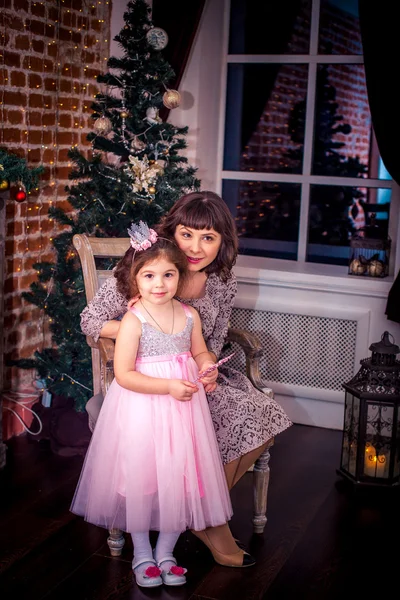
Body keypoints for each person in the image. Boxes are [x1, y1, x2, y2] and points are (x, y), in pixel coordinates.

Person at [80, 191, 292, 567]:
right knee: (242, 415)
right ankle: (212, 524)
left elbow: (214, 338)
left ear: (222, 243)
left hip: (198, 373)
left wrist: (208, 364)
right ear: (171, 233)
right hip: (150, 379)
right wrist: (141, 328)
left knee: (266, 415)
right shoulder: (150, 267)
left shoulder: (222, 281)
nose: (196, 247)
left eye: (208, 237)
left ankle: (195, 510)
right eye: (187, 234)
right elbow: (91, 321)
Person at [71, 222, 236, 589]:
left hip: (183, 413)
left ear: (179, 277)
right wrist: (167, 386)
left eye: (168, 274)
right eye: (149, 275)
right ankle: (142, 553)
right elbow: (126, 375)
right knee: (141, 480)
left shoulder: (189, 315)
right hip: (143, 408)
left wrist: (207, 365)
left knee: (180, 479)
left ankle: (166, 552)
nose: (159, 283)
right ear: (135, 280)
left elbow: (199, 351)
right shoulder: (133, 320)